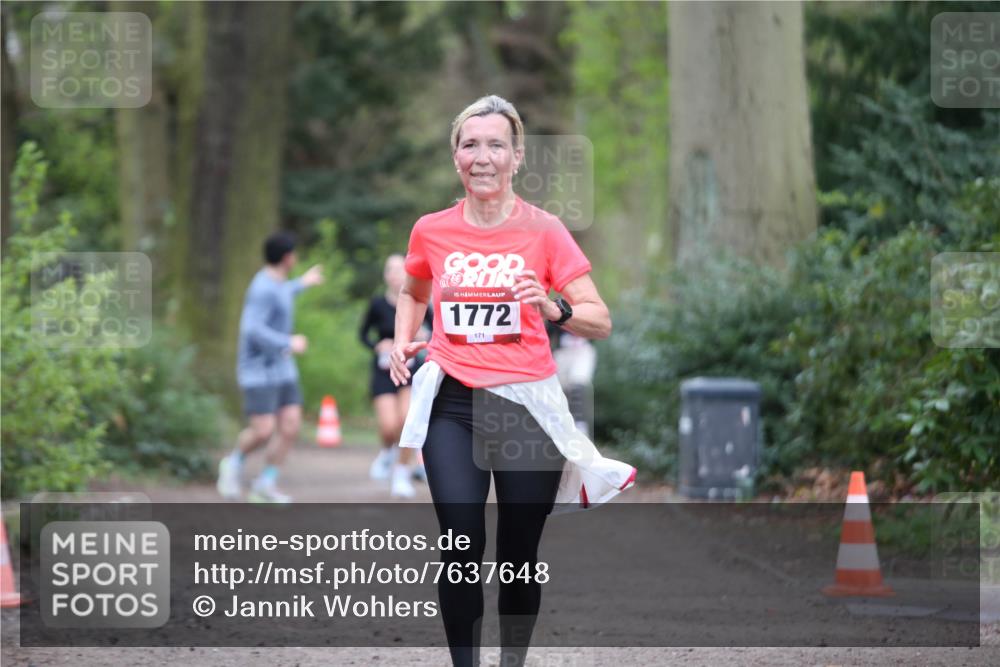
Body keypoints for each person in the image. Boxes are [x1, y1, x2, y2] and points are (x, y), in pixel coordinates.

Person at [389, 95, 636, 667]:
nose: (482, 156)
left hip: (526, 407)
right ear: (456, 157)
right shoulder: (431, 230)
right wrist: (406, 336)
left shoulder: (545, 232)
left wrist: (554, 308)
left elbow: (600, 318)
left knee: (520, 554)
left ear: (516, 156)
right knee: (460, 546)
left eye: (495, 144)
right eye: (470, 144)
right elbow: (413, 289)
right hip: (453, 403)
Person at [217, 232, 323, 503]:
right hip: (257, 370)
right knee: (263, 430)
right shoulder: (262, 288)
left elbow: (284, 292)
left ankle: (265, 483)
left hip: (282, 368)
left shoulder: (278, 283)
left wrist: (303, 283)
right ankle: (232, 463)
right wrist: (288, 341)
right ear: (287, 257)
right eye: (294, 254)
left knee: (290, 426)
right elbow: (252, 329)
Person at [359, 254, 432, 498]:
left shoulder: (419, 301)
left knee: (407, 420)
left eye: (400, 269)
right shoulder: (378, 304)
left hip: (409, 371)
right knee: (389, 425)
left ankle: (401, 472)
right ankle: (386, 451)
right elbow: (363, 335)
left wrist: (423, 336)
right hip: (383, 371)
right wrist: (377, 345)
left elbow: (434, 334)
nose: (395, 274)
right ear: (385, 275)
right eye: (390, 269)